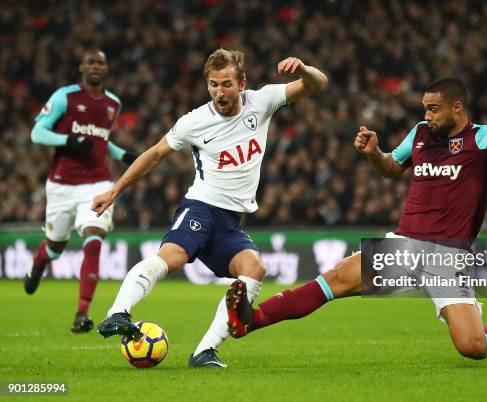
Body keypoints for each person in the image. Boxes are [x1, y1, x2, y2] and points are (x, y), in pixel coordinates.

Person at [227, 56, 487, 366]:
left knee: (470, 346)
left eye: (434, 109)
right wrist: (374, 153)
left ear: (457, 108)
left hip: (447, 257)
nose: (427, 116)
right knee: (334, 280)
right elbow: (391, 168)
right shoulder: (420, 134)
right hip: (405, 245)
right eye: (424, 108)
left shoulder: (480, 139)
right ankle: (250, 320)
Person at [91, 49, 328, 368]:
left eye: (227, 84)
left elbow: (318, 83)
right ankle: (118, 312)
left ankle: (204, 351)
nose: (219, 92)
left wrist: (303, 68)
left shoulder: (263, 101)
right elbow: (155, 154)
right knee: (172, 258)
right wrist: (115, 190)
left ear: (242, 84)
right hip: (201, 208)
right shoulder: (195, 122)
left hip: (229, 223)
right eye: (214, 85)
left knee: (254, 269)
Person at [24, 48, 136, 333]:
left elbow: (102, 140)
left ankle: (82, 313)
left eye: (101, 62)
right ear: (81, 67)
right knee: (55, 245)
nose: (96, 67)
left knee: (94, 237)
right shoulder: (65, 97)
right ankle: (38, 264)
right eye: (91, 62)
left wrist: (124, 156)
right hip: (62, 184)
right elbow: (38, 133)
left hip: (98, 184)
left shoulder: (113, 103)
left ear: (106, 68)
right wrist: (70, 141)